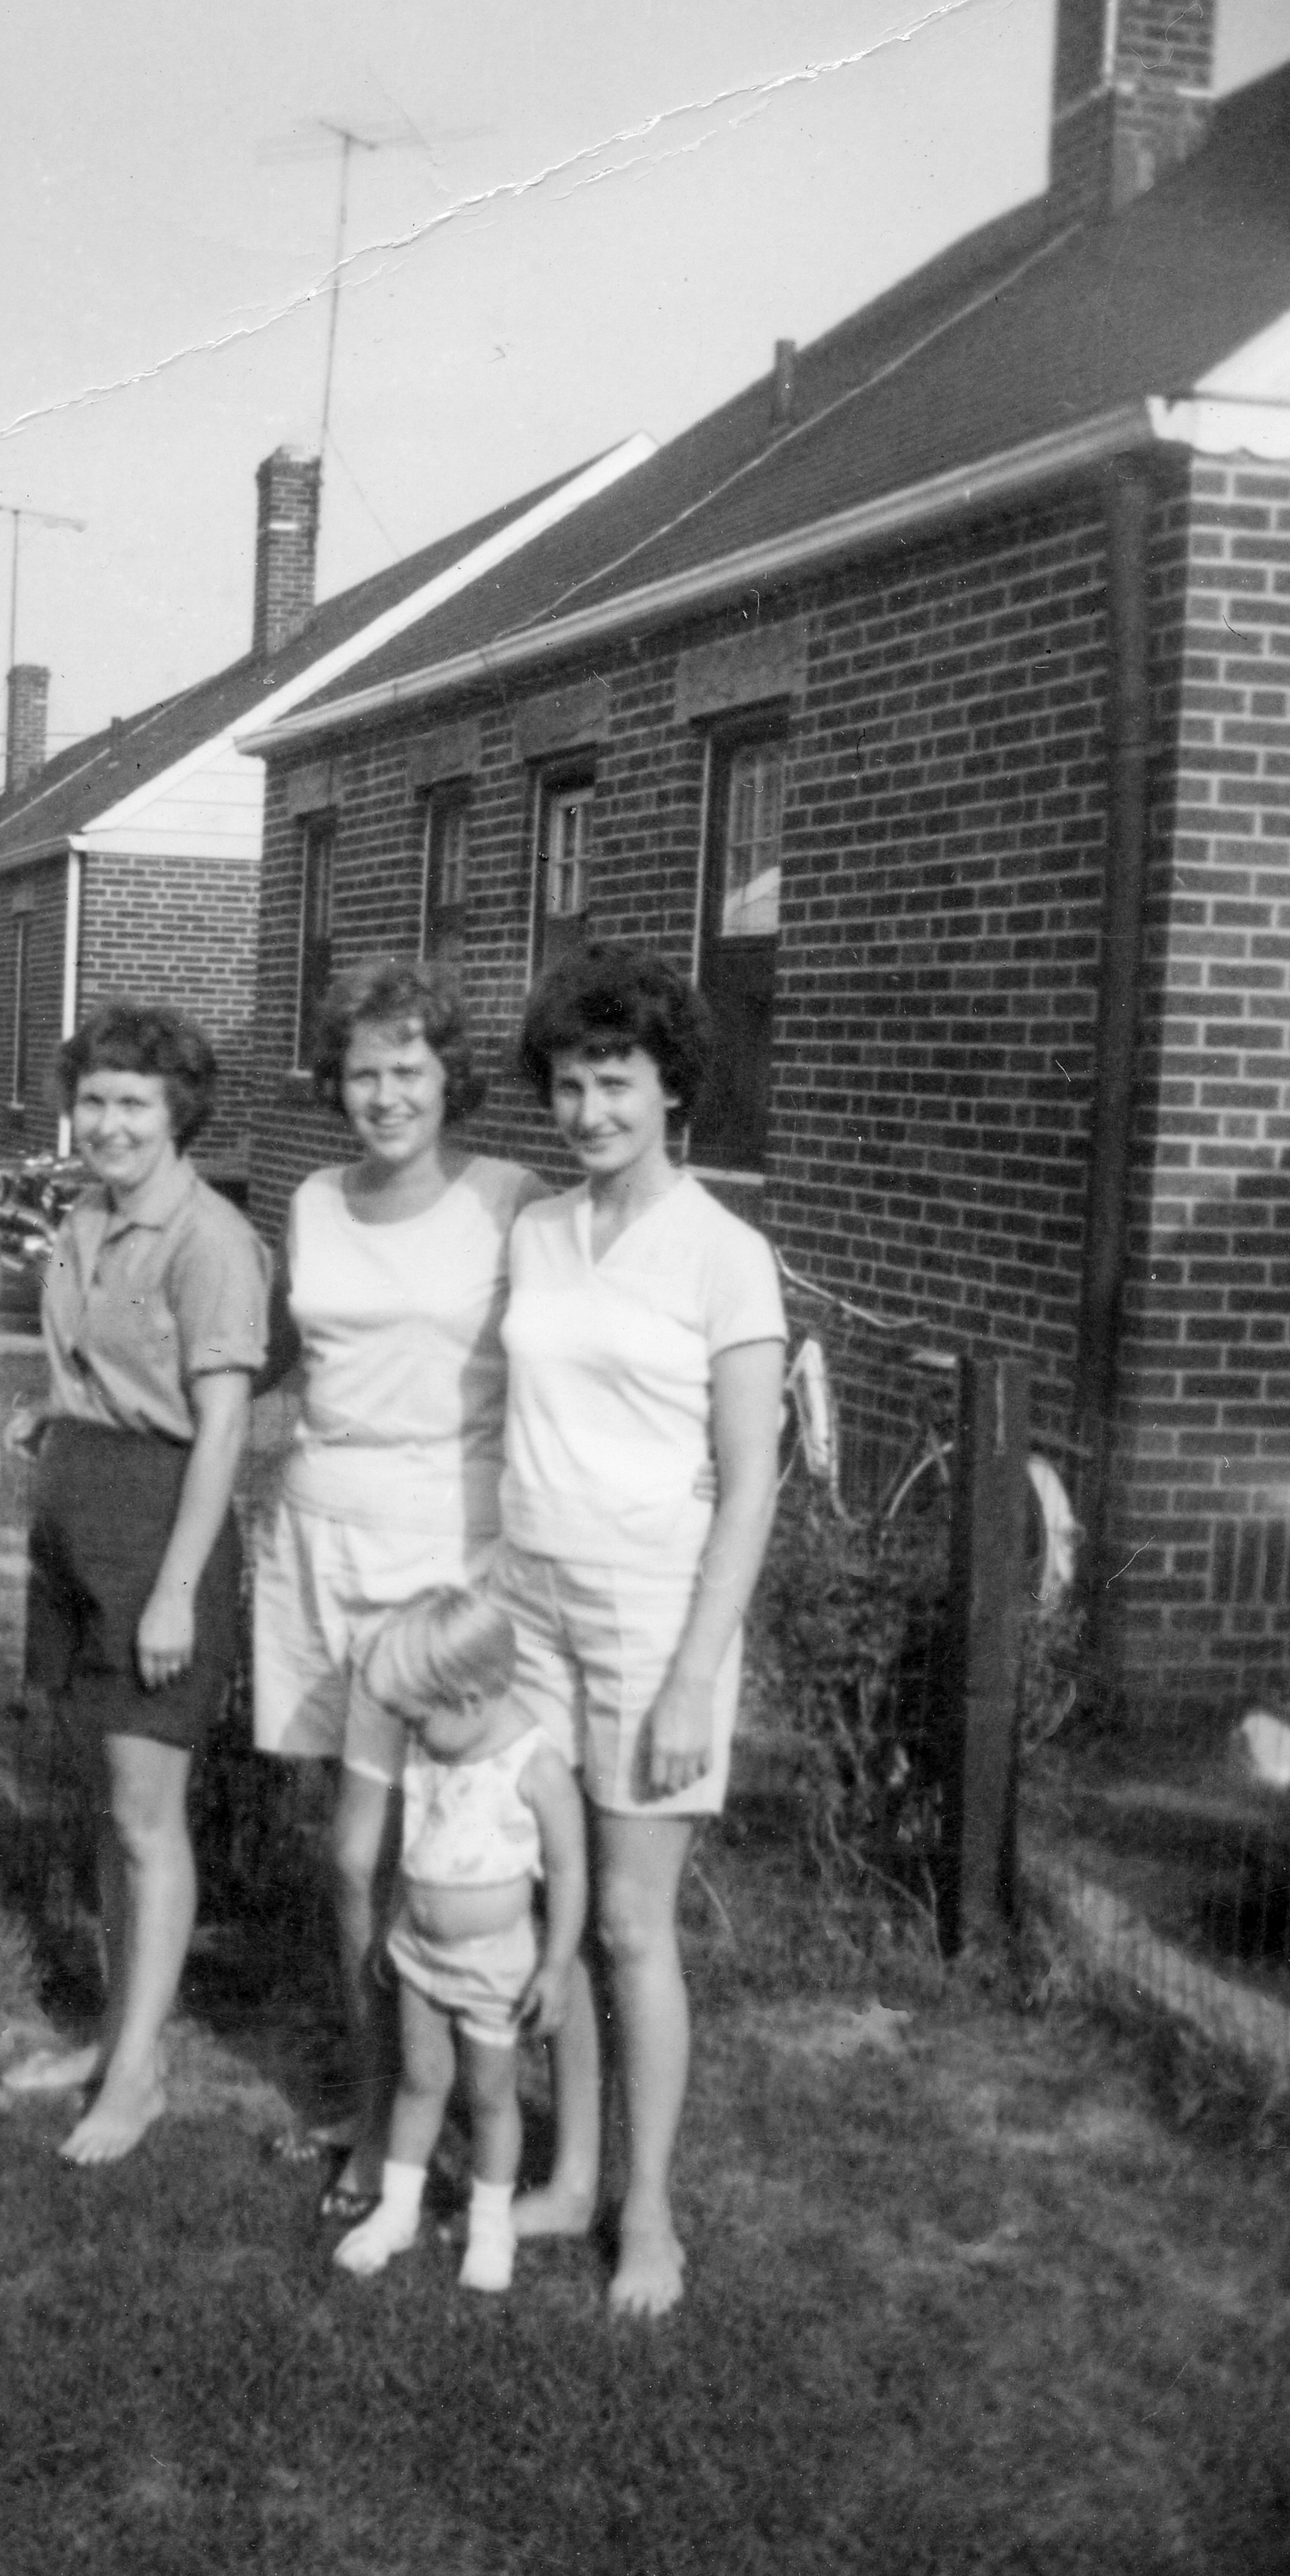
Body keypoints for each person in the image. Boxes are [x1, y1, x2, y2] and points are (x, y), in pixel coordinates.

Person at [497, 943, 784, 2312]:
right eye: (566, 1084)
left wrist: (690, 1681)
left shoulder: (728, 1256)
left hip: (655, 1615)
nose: (588, 1110)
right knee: (552, 1901)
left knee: (626, 1919)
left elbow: (749, 1487)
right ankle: (566, 2176)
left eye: (614, 1081)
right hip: (529, 1602)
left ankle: (651, 2211)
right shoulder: (539, 1230)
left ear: (672, 1088)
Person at [252, 959, 544, 2214]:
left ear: (449, 1079)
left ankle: (469, 2113)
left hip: (445, 1552)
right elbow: (269, 1359)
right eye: (362, 1071)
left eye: (407, 1071)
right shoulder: (312, 1199)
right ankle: (375, 2105)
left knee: (443, 1851)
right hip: (317, 1533)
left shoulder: (508, 1199)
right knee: (346, 1856)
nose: (382, 1094)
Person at [3, 1002, 268, 2166]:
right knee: (110, 1800)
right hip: (77, 1510)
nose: (108, 1122)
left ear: (178, 1114)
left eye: (133, 1104)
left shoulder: (208, 1237)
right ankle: (118, 2033)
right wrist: (48, 1417)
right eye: (95, 1099)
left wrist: (173, 1590)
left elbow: (220, 1433)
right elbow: (97, 1365)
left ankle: (142, 2073)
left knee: (148, 1815)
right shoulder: (84, 1215)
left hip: (161, 1525)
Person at [329, 1589, 585, 2295]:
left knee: (491, 2094)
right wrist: (394, 1924)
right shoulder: (437, 1743)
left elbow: (566, 1870)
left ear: (470, 1698)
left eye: (416, 1717)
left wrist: (557, 1964)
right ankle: (399, 2210)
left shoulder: (534, 1766)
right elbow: (420, 1843)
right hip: (419, 1955)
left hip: (495, 1966)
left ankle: (493, 2219)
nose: (408, 1731)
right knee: (420, 2079)